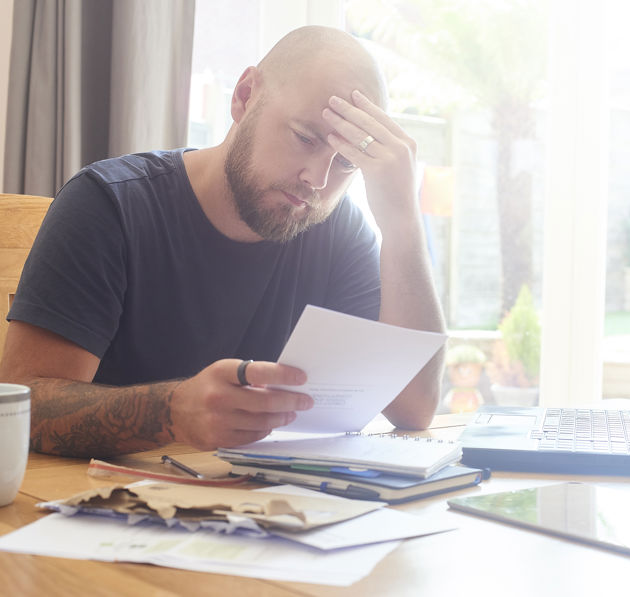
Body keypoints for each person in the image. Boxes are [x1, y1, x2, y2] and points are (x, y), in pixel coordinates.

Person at [0, 26, 446, 458]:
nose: (318, 179)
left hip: (266, 516)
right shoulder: (110, 203)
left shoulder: (339, 231)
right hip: (105, 510)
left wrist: (403, 223)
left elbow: (414, 407)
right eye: (305, 138)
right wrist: (170, 412)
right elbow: (24, 403)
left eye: (347, 163)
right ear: (245, 96)